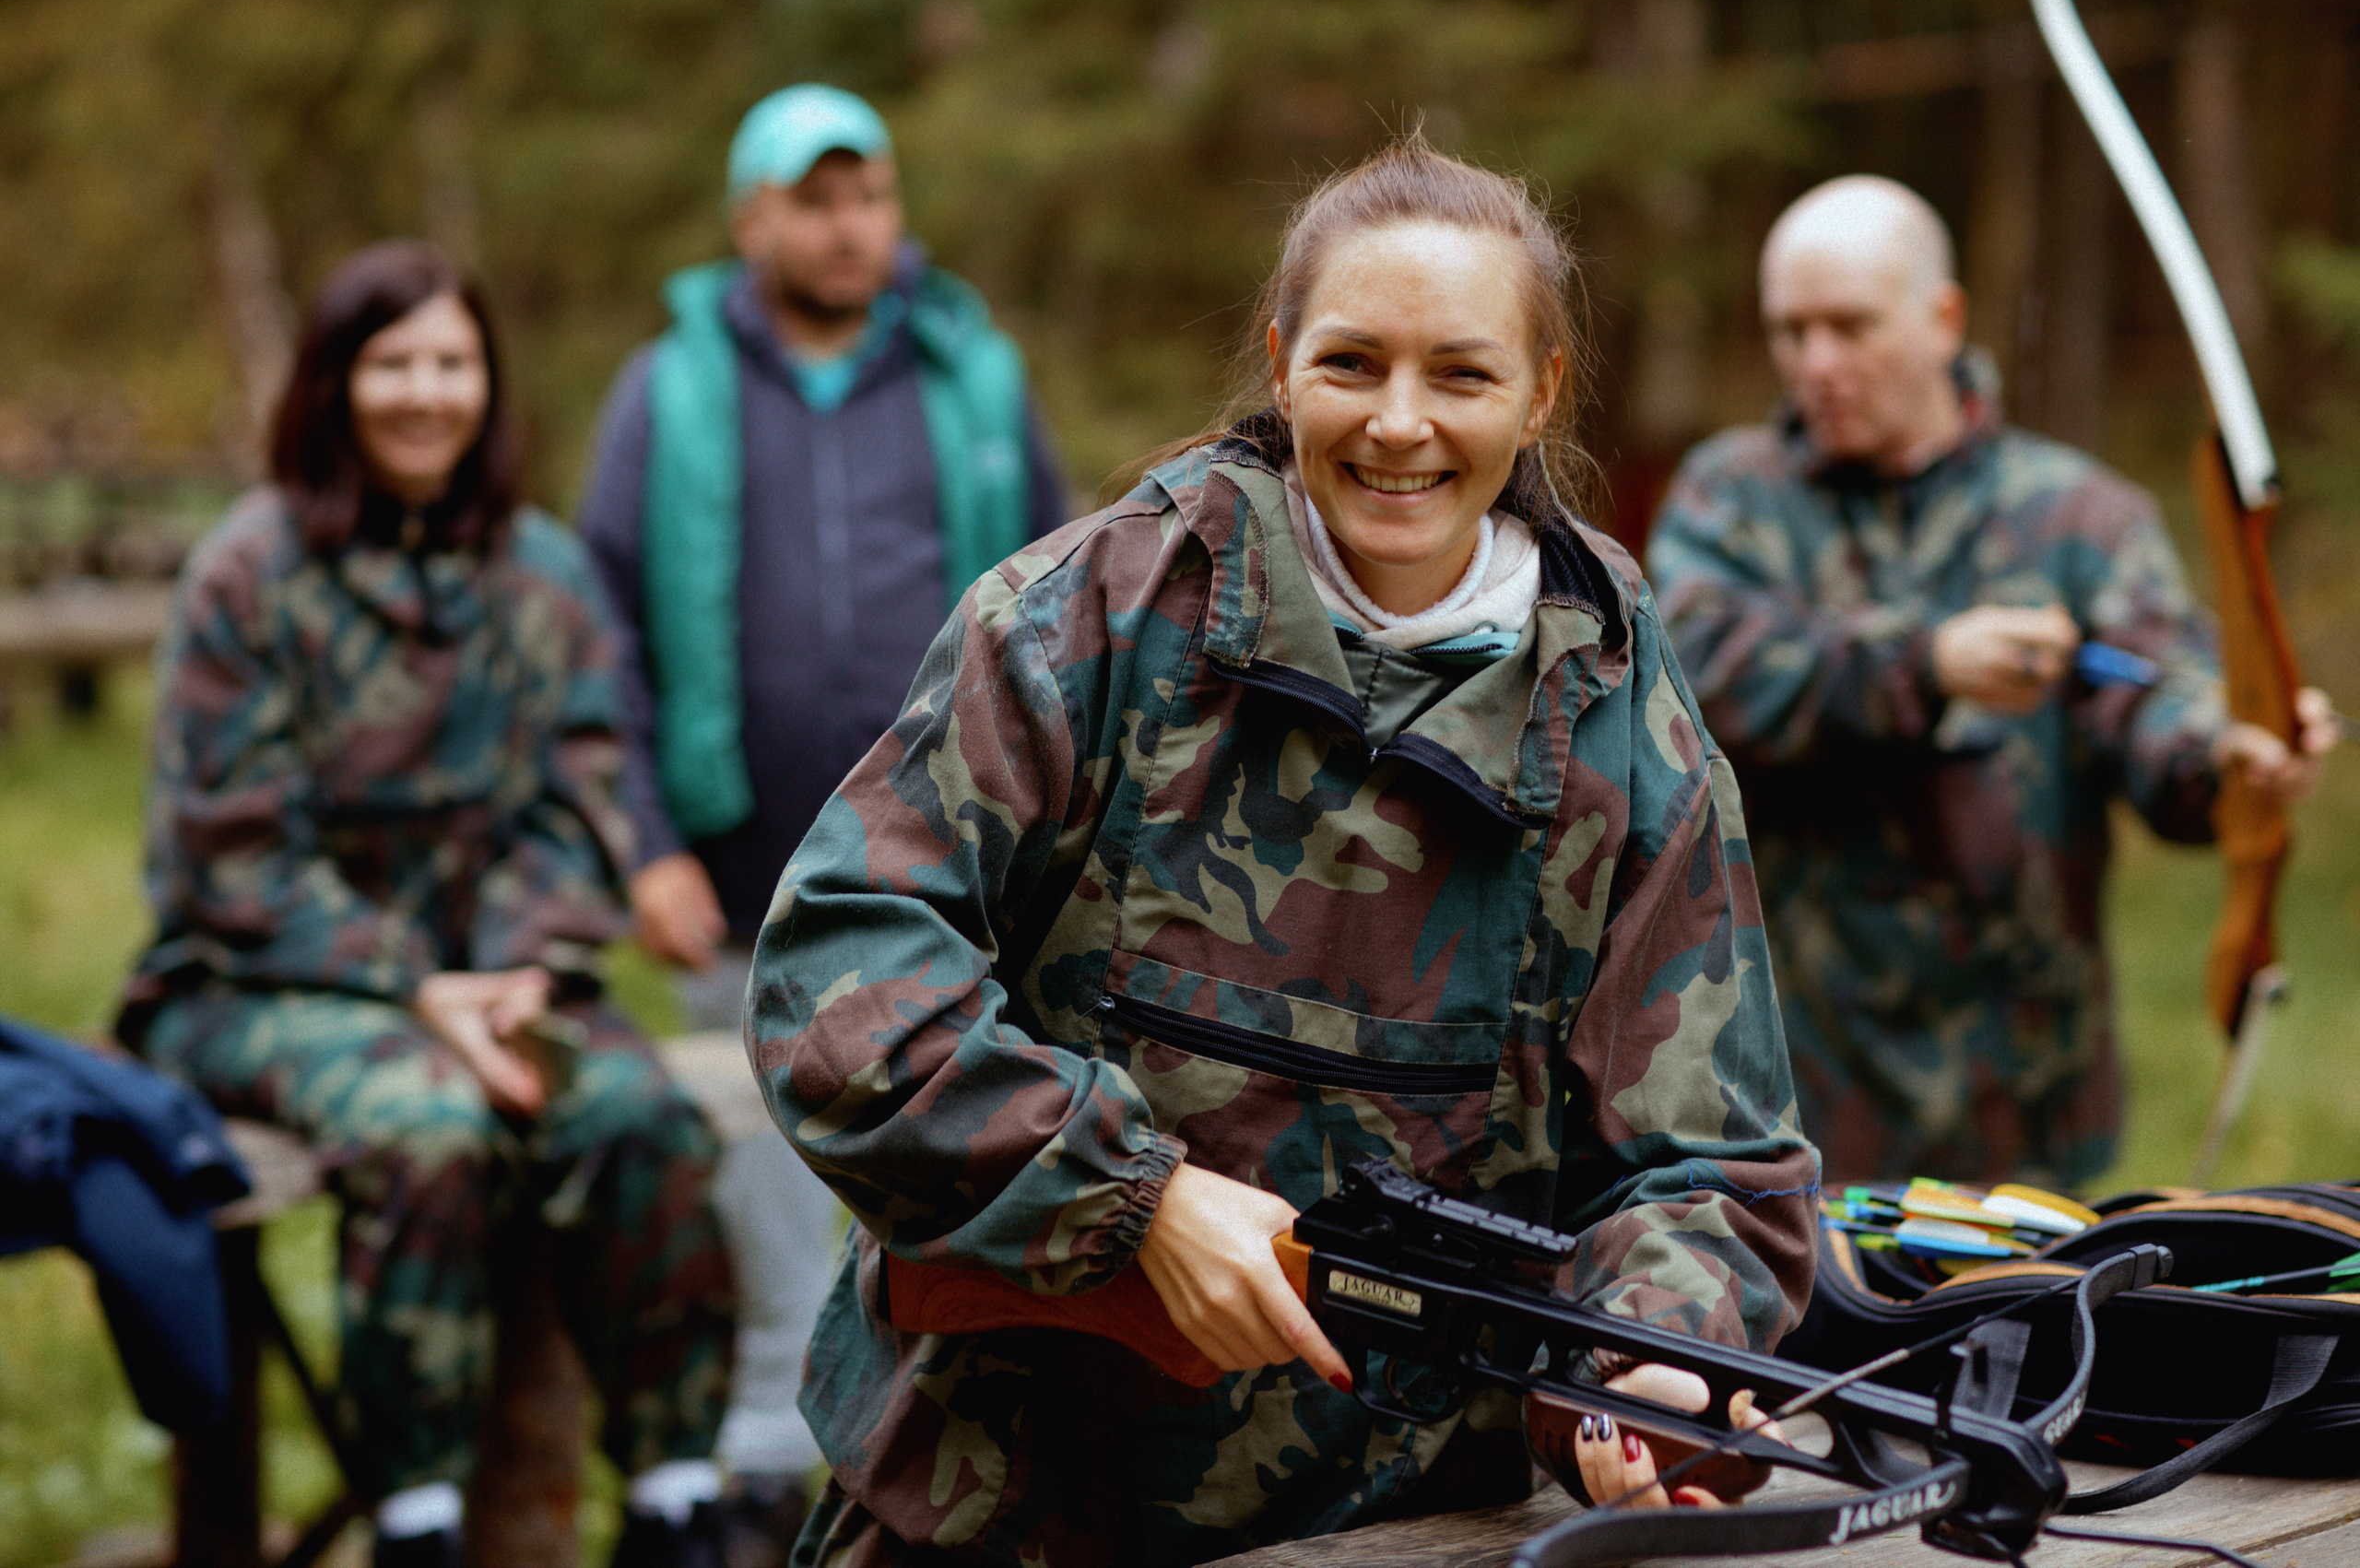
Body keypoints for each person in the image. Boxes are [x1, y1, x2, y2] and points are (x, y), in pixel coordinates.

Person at [747, 136, 1816, 1567]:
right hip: (994, 1511)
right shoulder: (1090, 616)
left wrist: (1647, 1362)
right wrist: (1135, 1200)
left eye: (1463, 373)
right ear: (1279, 357)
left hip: (1416, 1530)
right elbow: (835, 971)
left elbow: (1711, 1168)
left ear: (1544, 390)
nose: (1399, 424)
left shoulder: (1627, 719)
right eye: (1351, 363)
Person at [118, 242, 736, 1568]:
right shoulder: (250, 572)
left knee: (641, 1112)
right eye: (392, 361)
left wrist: (509, 970)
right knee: (427, 1122)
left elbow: (578, 806)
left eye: (451, 361)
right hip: (259, 981)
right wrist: (418, 985)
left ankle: (680, 1492)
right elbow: (231, 857)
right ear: (335, 383)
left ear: (486, 384)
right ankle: (417, 1515)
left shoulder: (543, 571)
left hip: (504, 976)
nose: (424, 392)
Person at [576, 85, 1066, 1543]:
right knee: (759, 1191)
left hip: (955, 879)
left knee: (923, 1172)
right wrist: (645, 837)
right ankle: (748, 1473)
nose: (848, 226)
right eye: (816, 198)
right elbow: (602, 629)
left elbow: (1057, 596)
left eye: (869, 195)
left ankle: (914, 1480)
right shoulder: (666, 389)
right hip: (734, 874)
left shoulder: (972, 373)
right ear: (753, 219)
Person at [1646, 175, 2341, 1187]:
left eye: (1848, 326)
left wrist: (2224, 752)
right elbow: (1701, 673)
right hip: (1784, 1090)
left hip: (2024, 1099)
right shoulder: (1734, 495)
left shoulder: (2079, 517)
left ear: (1943, 319)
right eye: (1789, 332)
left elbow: (2156, 690)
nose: (1816, 364)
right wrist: (1922, 665)